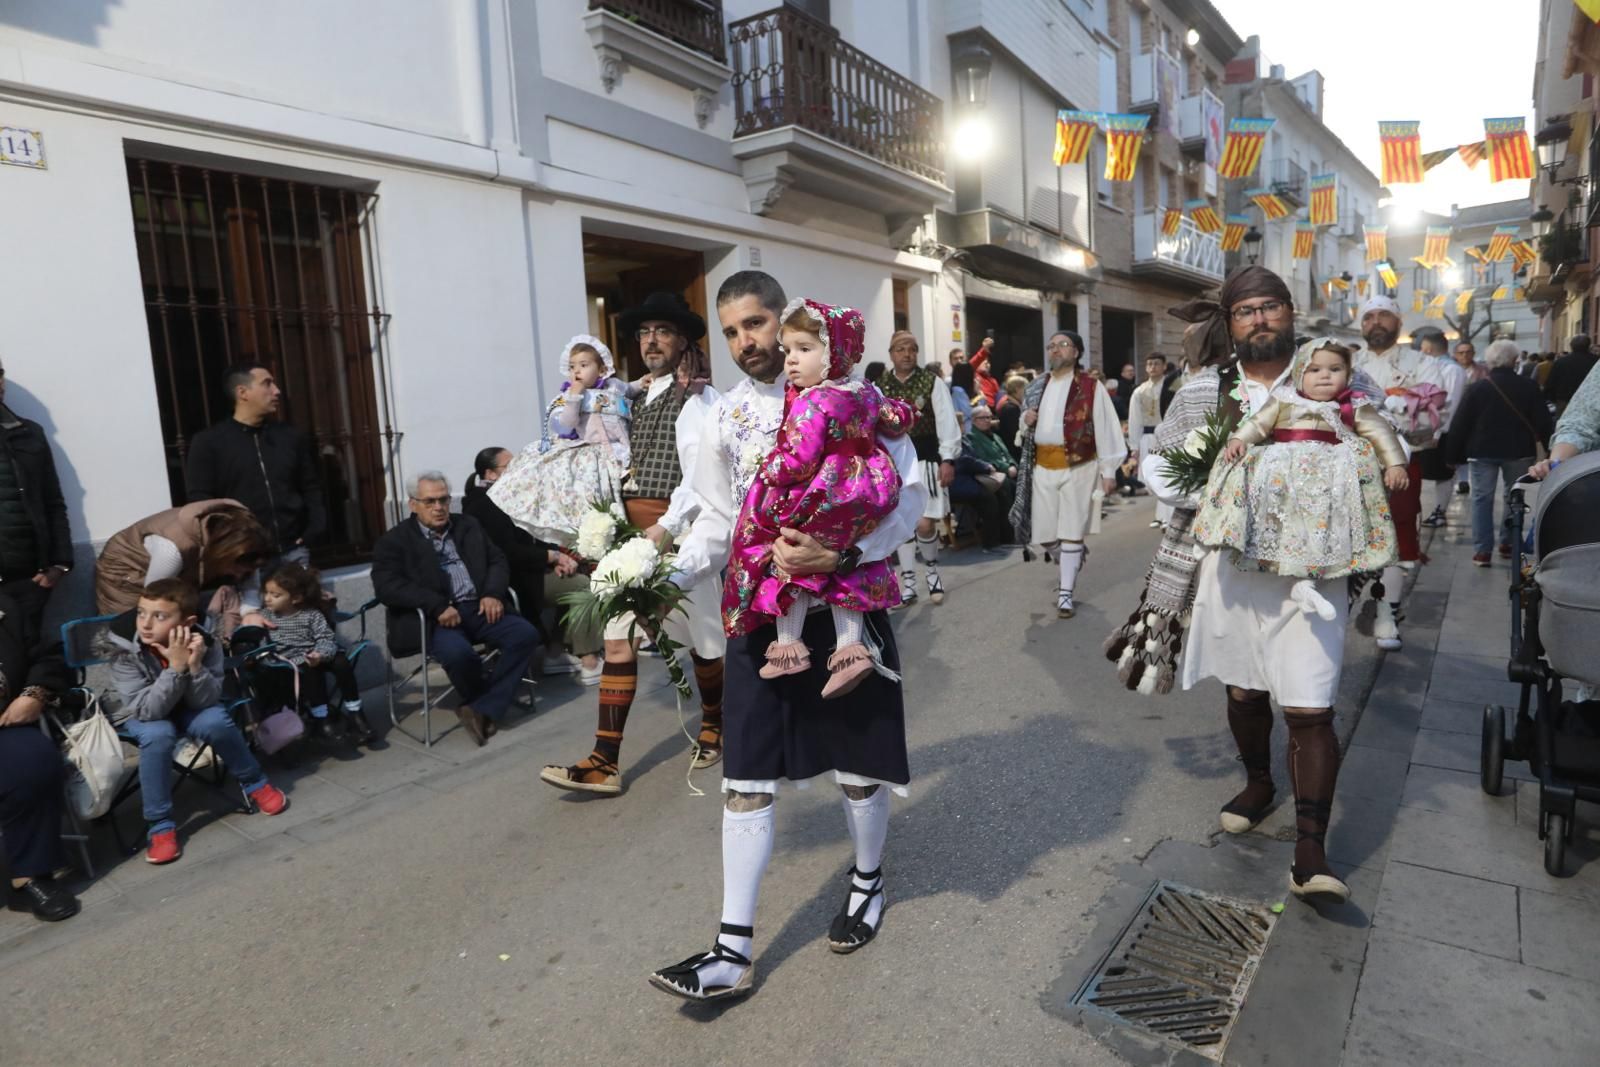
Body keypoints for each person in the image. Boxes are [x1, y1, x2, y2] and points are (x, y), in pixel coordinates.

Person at [647, 270, 924, 1003]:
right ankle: (731, 948)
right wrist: (660, 579)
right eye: (733, 330)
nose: (748, 342)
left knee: (856, 760)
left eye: (759, 324)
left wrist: (844, 555)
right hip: (759, 613)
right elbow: (714, 518)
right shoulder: (722, 418)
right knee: (746, 772)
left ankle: (868, 883)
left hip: (844, 599)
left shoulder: (851, 399)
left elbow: (908, 495)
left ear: (789, 321)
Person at [1139, 265, 1360, 902]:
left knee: (1310, 705)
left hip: (1312, 576)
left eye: (1271, 307)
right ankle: (1260, 782)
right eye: (1246, 311)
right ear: (1231, 324)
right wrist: (1211, 486)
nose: (1259, 319)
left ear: (1291, 313)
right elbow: (1161, 461)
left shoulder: (1330, 376)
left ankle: (1310, 851)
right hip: (1230, 568)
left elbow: (1376, 442)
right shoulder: (1204, 389)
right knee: (1244, 691)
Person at [539, 291, 728, 796]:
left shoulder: (704, 399)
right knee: (619, 640)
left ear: (683, 340)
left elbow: (704, 477)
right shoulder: (631, 396)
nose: (651, 341)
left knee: (706, 643)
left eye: (663, 331)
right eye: (645, 333)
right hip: (629, 538)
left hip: (684, 534)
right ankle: (605, 760)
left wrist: (670, 528)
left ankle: (716, 720)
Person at [723, 298, 911, 699]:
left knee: (789, 555)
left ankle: (789, 646)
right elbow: (896, 418)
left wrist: (772, 470)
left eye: (804, 350)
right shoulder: (865, 389)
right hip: (870, 485)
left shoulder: (813, 400)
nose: (791, 360)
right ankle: (850, 649)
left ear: (835, 351)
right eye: (788, 350)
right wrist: (902, 415)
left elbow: (800, 457)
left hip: (830, 488)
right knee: (844, 570)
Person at [1195, 338, 1407, 588]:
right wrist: (1240, 438)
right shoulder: (1284, 399)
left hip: (1332, 475)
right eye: (1314, 370)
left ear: (1348, 374)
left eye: (1335, 369)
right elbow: (1259, 423)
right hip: (1285, 470)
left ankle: (1316, 569)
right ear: (1299, 373)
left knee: (1323, 522)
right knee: (1269, 501)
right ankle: (1226, 537)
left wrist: (1395, 464)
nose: (1325, 376)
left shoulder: (1354, 405)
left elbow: (1380, 432)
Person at [109, 578, 290, 864]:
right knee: (158, 735)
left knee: (215, 720)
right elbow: (147, 710)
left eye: (159, 616)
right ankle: (160, 825)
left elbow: (206, 701)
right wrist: (176, 668)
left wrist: (194, 665)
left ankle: (256, 783)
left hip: (190, 706)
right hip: (144, 713)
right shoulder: (123, 647)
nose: (144, 623)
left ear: (187, 621)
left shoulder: (205, 641)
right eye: (141, 612)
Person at [371, 472, 540, 748]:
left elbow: (497, 560)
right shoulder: (394, 541)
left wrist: (492, 593)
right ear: (413, 505)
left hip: (480, 607)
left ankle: (481, 706)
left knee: (525, 634)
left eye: (443, 500)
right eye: (430, 502)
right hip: (436, 618)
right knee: (459, 655)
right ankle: (487, 703)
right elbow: (387, 586)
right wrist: (435, 605)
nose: (438, 507)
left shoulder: (468, 525)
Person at [1352, 295, 1456, 652]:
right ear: (1361, 324)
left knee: (1394, 539)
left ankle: (1387, 615)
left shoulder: (1423, 363)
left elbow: (1430, 417)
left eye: (1384, 316)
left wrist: (1385, 415)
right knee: (1344, 534)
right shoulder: (1348, 362)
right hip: (1349, 463)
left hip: (1400, 461)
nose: (1376, 322)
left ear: (1398, 323)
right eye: (1369, 317)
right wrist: (1394, 403)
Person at [1009, 331, 1127, 618]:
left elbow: (1107, 427)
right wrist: (1025, 421)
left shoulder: (1090, 386)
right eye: (1051, 346)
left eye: (1063, 345)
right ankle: (1071, 560)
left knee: (1072, 530)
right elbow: (1021, 432)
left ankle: (1066, 593)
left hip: (1080, 466)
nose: (1055, 350)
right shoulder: (1037, 386)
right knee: (1046, 535)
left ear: (1076, 352)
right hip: (1043, 466)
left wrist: (1109, 470)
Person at [184, 362, 324, 595]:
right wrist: (230, 542)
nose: (277, 391)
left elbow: (310, 486)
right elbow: (200, 500)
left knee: (304, 615)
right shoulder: (209, 443)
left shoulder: (289, 437)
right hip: (246, 558)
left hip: (293, 549)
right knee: (253, 619)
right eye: (267, 384)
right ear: (242, 392)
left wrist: (314, 528)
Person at [462, 447, 596, 682]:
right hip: (513, 581)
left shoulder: (507, 495)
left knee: (571, 576)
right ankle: (589, 658)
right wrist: (550, 558)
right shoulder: (484, 504)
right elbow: (507, 552)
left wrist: (554, 558)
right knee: (583, 586)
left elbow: (535, 534)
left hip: (531, 570)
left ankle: (555, 653)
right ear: (491, 474)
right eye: (510, 466)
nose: (519, 470)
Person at [489, 336, 634, 546]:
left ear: (602, 370)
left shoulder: (613, 386)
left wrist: (641, 383)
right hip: (591, 449)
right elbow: (567, 423)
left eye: (584, 365)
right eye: (572, 367)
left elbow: (629, 390)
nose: (577, 371)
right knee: (579, 484)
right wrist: (574, 398)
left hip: (615, 447)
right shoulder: (570, 395)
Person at [0, 590, 79, 920]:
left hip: (5, 724)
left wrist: (34, 694)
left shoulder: (6, 606)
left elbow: (48, 657)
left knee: (34, 762)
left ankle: (30, 875)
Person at [1444, 339, 1554, 565]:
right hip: (1519, 450)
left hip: (1482, 450)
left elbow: (1460, 423)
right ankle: (1509, 541)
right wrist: (1551, 449)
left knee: (1481, 499)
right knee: (1514, 497)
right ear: (1515, 361)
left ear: (1491, 361)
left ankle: (1483, 551)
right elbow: (1542, 421)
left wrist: (1452, 456)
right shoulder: (1528, 387)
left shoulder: (1477, 388)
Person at [94, 500, 272, 634]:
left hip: (172, 571)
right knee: (137, 631)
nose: (239, 576)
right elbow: (155, 598)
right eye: (237, 570)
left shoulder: (247, 540)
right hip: (128, 572)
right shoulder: (171, 550)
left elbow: (251, 584)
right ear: (224, 555)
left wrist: (250, 612)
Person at [878, 331, 960, 608]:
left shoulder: (931, 381)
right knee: (901, 525)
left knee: (925, 523)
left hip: (925, 459)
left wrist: (948, 459)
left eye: (912, 349)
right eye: (901, 349)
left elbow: (947, 421)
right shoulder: (879, 385)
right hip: (892, 464)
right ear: (891, 353)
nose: (907, 354)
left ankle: (933, 572)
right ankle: (909, 582)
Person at [0, 358, 74, 643]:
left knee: (29, 657)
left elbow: (53, 501)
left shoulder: (29, 433)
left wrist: (60, 565)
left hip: (29, 580)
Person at [257, 561, 373, 742]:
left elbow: (326, 638)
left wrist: (320, 654)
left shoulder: (311, 614)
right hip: (292, 662)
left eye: (275, 594)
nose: (268, 598)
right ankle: (321, 718)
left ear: (295, 598)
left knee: (341, 662)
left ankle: (355, 710)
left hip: (318, 651)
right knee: (310, 669)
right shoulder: (265, 617)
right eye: (266, 593)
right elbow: (262, 644)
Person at [954, 404, 1016, 548]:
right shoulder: (964, 439)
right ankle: (996, 541)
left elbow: (1006, 454)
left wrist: (1012, 465)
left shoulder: (990, 436)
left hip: (973, 478)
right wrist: (987, 467)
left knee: (1017, 484)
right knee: (994, 496)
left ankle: (1010, 534)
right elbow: (966, 461)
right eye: (983, 418)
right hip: (962, 482)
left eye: (989, 417)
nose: (987, 420)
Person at [1530, 362, 1600, 479]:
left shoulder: (1554, 364)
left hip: (1562, 402)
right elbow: (1581, 422)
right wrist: (1557, 464)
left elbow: (1549, 385)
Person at [1127, 353, 1172, 528]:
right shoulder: (1139, 391)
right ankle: (1160, 515)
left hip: (1166, 436)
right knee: (1153, 478)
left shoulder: (1171, 387)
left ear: (1164, 366)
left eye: (1156, 364)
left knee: (1166, 475)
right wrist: (1134, 446)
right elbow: (1134, 419)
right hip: (1147, 437)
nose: (1153, 367)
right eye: (1149, 364)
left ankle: (1167, 517)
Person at [1543, 334, 1596, 417]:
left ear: (1571, 346)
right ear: (1589, 346)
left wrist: (1554, 399)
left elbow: (1551, 383)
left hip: (1564, 401)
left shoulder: (1560, 362)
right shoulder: (1596, 362)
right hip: (1591, 402)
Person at [996, 374, 1027, 460]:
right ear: (1017, 389)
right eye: (1025, 389)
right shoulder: (1010, 409)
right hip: (1014, 455)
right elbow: (1017, 434)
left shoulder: (1012, 406)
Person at [970, 337, 1001, 408]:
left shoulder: (993, 380)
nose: (986, 363)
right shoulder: (972, 375)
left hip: (993, 410)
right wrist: (984, 350)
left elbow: (999, 398)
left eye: (988, 362)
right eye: (983, 361)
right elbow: (972, 364)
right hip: (979, 407)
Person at [948, 361, 976, 433]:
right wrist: (980, 396)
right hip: (966, 428)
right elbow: (969, 412)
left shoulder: (961, 390)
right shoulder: (958, 391)